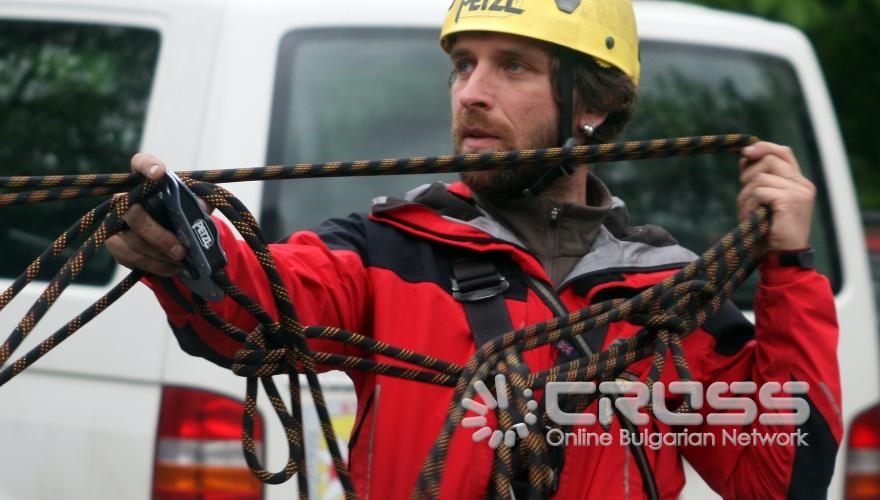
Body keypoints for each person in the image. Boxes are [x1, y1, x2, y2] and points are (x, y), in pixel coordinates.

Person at [107, 0, 841, 498]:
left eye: (511, 66)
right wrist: (189, 251)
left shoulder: (669, 291)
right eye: (464, 64)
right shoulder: (385, 248)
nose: (471, 93)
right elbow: (256, 309)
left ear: (592, 104)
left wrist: (790, 272)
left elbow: (781, 476)